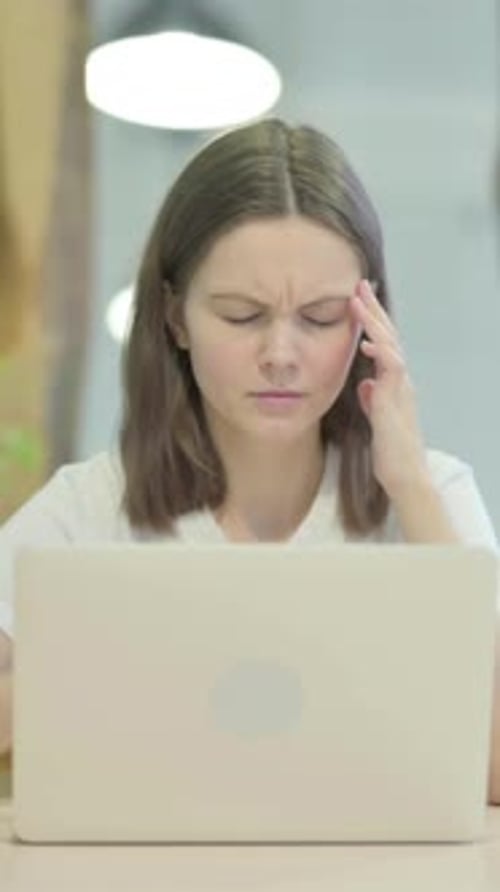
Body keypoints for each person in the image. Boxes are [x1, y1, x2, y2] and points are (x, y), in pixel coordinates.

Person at [0, 118, 498, 792]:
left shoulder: (431, 493)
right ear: (174, 317)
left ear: (369, 320)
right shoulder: (87, 510)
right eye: (241, 315)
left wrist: (408, 485)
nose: (281, 356)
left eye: (321, 318)